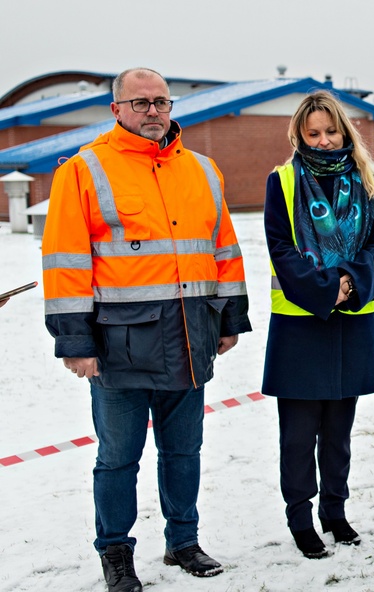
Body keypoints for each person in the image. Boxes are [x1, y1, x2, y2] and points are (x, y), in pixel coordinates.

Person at [42, 67, 252, 592]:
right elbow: (65, 262)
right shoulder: (84, 170)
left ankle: (184, 541)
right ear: (116, 110)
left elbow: (224, 250)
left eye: (161, 101)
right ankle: (115, 552)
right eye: (140, 103)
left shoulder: (203, 170)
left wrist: (228, 319)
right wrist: (74, 341)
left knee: (184, 451)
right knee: (118, 458)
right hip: (119, 346)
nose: (153, 111)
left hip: (189, 338)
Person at [262, 90, 374, 559]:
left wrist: (350, 284)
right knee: (298, 436)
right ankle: (300, 517)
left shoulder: (366, 180)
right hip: (300, 324)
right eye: (312, 133)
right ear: (299, 135)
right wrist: (325, 289)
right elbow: (281, 248)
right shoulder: (282, 181)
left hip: (351, 321)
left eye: (330, 131)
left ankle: (334, 511)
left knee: (339, 432)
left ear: (344, 131)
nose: (322, 140)